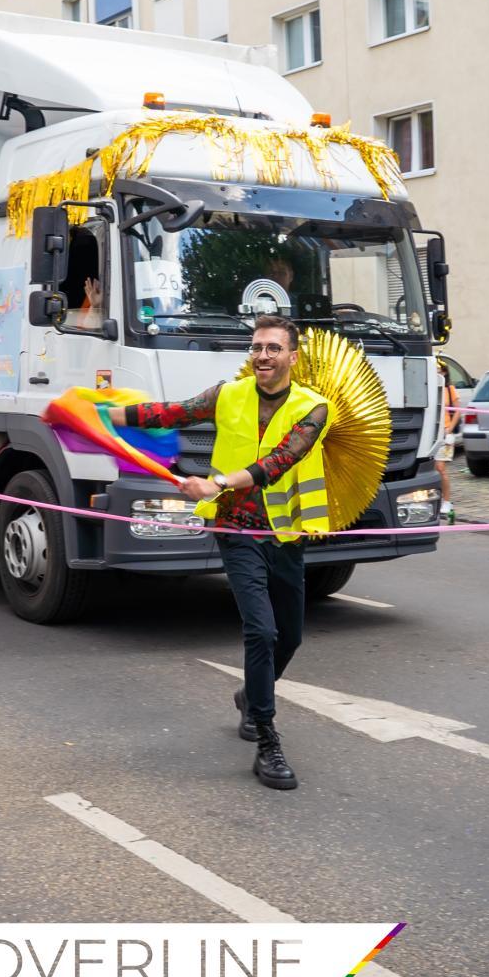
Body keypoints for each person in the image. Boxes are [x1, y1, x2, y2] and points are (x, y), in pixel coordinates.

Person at [112, 315, 331, 791]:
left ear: (293, 357)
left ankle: (251, 694)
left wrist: (215, 481)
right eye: (257, 347)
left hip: (285, 533)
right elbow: (171, 413)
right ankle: (267, 741)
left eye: (274, 348)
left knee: (289, 638)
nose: (263, 356)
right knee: (261, 630)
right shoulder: (227, 393)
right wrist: (105, 415)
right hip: (236, 527)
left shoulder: (314, 408)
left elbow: (280, 462)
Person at [433, 353, 461, 525]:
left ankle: (447, 501)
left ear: (444, 373)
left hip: (445, 432)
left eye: (438, 370)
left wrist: (449, 428)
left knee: (440, 468)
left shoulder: (449, 389)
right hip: (431, 433)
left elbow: (457, 410)